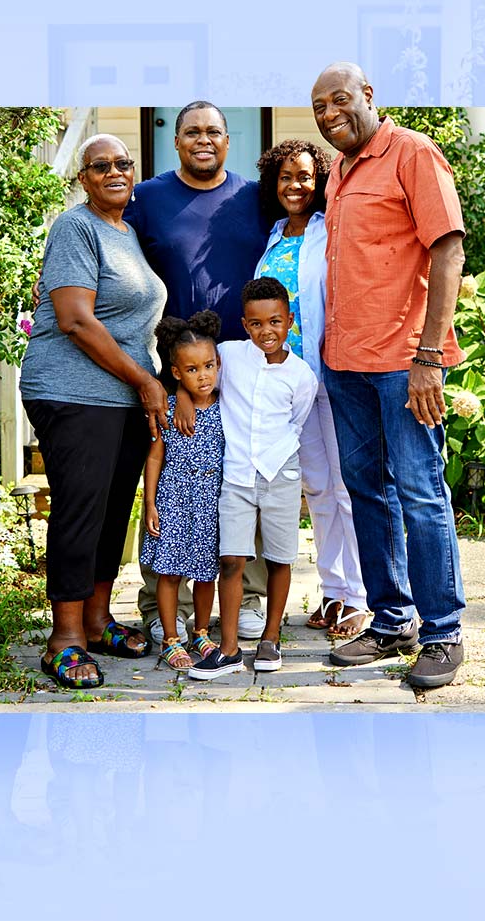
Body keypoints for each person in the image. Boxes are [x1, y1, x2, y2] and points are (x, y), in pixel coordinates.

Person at [311, 63, 470, 690]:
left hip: (404, 365)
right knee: (366, 493)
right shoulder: (341, 171)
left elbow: (448, 249)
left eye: (339, 100)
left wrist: (428, 357)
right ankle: (392, 620)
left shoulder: (412, 153)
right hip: (345, 362)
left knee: (421, 494)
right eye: (319, 106)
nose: (329, 114)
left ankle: (442, 632)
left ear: (368, 97)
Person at [19, 134, 166, 690]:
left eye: (122, 164)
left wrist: (141, 384)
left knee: (110, 515)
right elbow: (76, 319)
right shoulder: (75, 228)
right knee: (81, 511)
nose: (113, 172)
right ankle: (65, 639)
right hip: (75, 390)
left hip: (123, 395)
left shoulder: (126, 233)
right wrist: (146, 382)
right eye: (99, 165)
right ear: (83, 178)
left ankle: (100, 620)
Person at [123, 100, 272, 641]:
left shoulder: (254, 198)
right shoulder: (148, 199)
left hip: (243, 363)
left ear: (229, 141)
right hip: (174, 365)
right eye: (191, 132)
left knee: (240, 477)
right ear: (176, 140)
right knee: (170, 480)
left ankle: (248, 593)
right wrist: (171, 383)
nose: (202, 139)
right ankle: (159, 602)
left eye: (213, 131)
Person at [252, 139, 368, 637]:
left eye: (304, 176)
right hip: (287, 384)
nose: (295, 186)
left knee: (344, 486)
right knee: (317, 487)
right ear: (273, 185)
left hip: (327, 374)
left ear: (319, 179)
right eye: (285, 177)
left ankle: (360, 596)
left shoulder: (328, 231)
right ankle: (332, 592)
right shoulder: (274, 237)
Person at [188, 277, 319, 680]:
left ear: (290, 322)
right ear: (245, 325)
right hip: (237, 476)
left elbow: (296, 422)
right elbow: (201, 373)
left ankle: (270, 637)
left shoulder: (302, 376)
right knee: (230, 559)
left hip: (280, 473)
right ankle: (228, 649)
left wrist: (275, 459)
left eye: (276, 322)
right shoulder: (228, 355)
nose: (267, 331)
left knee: (279, 558)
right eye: (257, 324)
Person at [138, 310, 229, 671]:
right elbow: (155, 457)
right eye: (191, 370)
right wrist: (149, 503)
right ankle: (171, 638)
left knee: (207, 572)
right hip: (174, 498)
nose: (202, 376)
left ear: (217, 363)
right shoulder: (169, 407)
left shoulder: (228, 405)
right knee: (170, 572)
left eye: (208, 366)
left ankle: (202, 633)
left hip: (211, 499)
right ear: (176, 373)